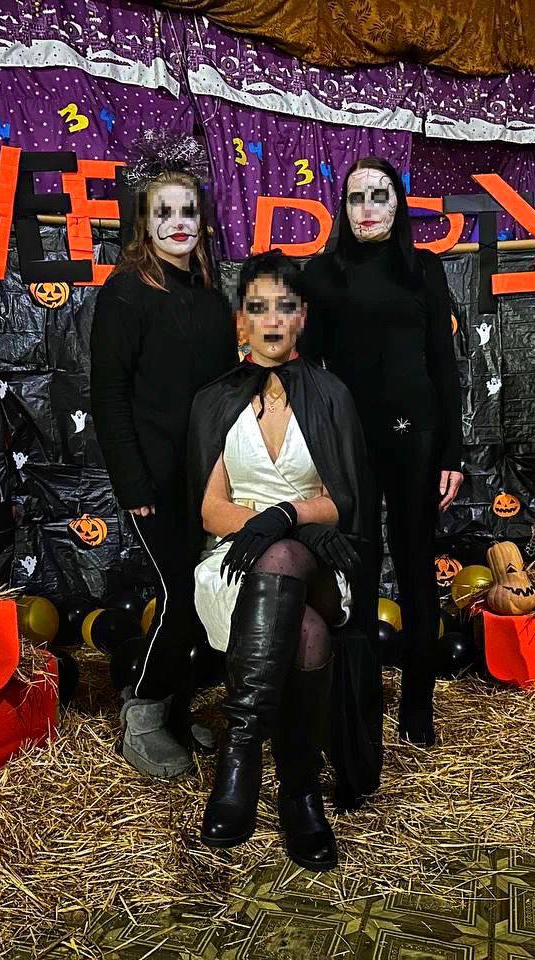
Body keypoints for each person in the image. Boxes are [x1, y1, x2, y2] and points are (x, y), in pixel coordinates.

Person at [188, 251, 381, 870]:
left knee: (288, 553)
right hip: (236, 561)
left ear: (302, 318)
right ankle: (299, 793)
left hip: (320, 558)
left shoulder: (332, 395)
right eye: (258, 307)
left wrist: (287, 514)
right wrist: (262, 526)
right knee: (306, 631)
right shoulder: (214, 400)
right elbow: (210, 510)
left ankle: (240, 756)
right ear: (240, 320)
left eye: (285, 306)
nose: (271, 319)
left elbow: (343, 501)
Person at [300, 157, 463, 747]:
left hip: (416, 437)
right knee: (358, 573)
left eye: (379, 195)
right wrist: (312, 447)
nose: (366, 208)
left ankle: (419, 708)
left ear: (398, 204)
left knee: (417, 570)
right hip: (350, 444)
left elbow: (443, 365)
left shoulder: (424, 269)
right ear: (342, 208)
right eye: (355, 197)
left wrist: (453, 453)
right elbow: (307, 368)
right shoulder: (322, 274)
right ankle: (360, 706)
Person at [90, 145, 239, 779]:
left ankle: (175, 711)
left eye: (187, 212)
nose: (178, 223)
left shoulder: (209, 295)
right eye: (164, 213)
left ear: (202, 221)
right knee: (180, 593)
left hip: (208, 476)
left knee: (205, 595)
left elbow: (226, 387)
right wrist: (131, 481)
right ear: (144, 224)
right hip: (153, 477)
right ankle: (143, 716)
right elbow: (108, 396)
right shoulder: (126, 293)